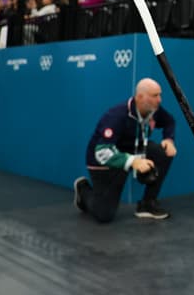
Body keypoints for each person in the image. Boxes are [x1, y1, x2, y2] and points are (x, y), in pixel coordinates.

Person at [74, 78, 177, 222]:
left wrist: (168, 139)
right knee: (104, 215)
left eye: (160, 95)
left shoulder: (153, 110)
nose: (159, 100)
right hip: (104, 159)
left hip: (132, 150)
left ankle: (147, 204)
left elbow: (169, 121)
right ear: (140, 97)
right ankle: (83, 190)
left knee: (163, 153)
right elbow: (102, 152)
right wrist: (133, 162)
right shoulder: (117, 115)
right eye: (155, 95)